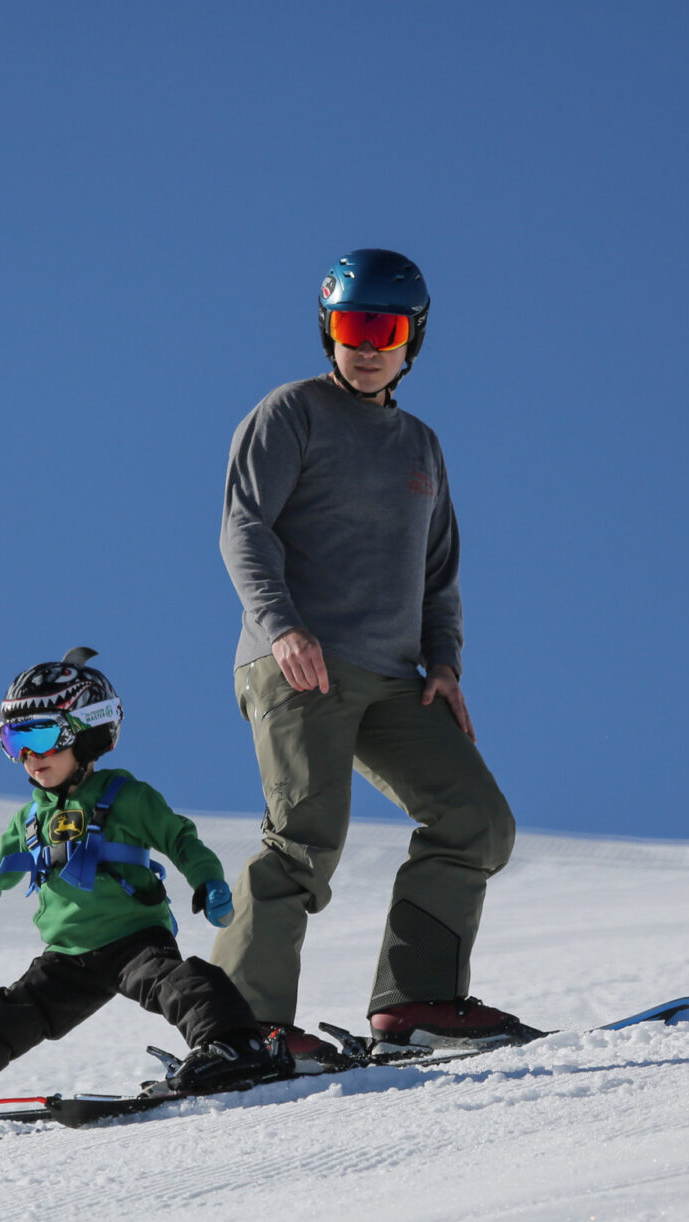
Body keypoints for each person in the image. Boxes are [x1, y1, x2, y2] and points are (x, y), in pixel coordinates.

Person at [212, 249, 540, 1060]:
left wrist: (447, 664)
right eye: (351, 327)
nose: (365, 346)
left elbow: (438, 571)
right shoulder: (291, 412)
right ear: (329, 331)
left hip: (396, 680)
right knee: (304, 839)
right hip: (297, 663)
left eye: (383, 330)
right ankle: (241, 1029)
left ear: (411, 341)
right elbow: (243, 528)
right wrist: (282, 626)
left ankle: (418, 1002)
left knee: (477, 821)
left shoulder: (421, 446)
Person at [0, 648, 291, 1142]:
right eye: (15, 743)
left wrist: (208, 880)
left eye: (41, 737)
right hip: (66, 960)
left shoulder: (126, 796)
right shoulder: (29, 821)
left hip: (134, 939)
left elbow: (181, 839)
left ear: (87, 733)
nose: (31, 758)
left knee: (180, 983)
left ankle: (234, 1046)